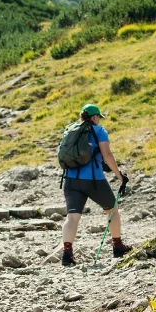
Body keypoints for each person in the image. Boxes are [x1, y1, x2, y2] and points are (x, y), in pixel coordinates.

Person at [61, 103, 131, 266]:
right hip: (93, 180)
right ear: (94, 117)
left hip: (70, 180)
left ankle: (67, 254)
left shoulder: (70, 130)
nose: (99, 120)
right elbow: (107, 154)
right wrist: (119, 176)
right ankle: (117, 246)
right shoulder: (99, 131)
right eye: (98, 117)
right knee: (112, 209)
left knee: (72, 217)